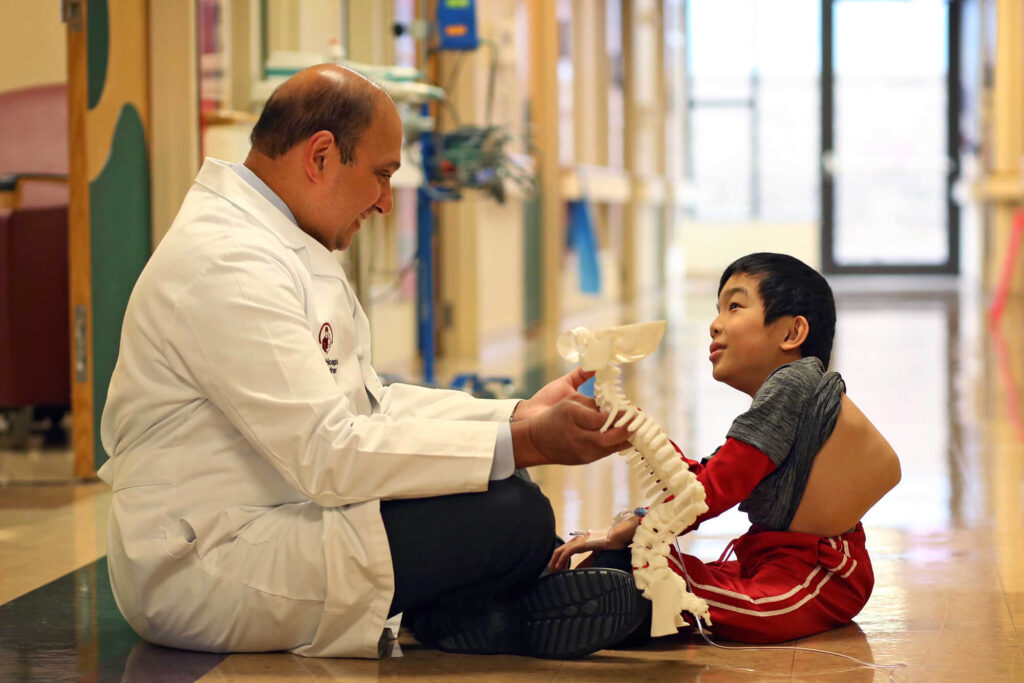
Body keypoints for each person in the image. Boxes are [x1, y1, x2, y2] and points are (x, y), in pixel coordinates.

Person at [98, 64, 647, 660]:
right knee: (512, 513)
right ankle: (484, 611)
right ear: (322, 155)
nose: (386, 203)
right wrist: (526, 440)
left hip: (277, 514)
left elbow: (371, 403)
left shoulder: (281, 243)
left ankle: (479, 612)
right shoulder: (228, 263)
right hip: (206, 559)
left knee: (502, 487)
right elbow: (329, 454)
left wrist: (514, 416)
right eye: (382, 175)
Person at [549, 252, 902, 644]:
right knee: (642, 565)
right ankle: (588, 601)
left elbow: (711, 491)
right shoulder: (785, 394)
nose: (715, 324)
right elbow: (703, 480)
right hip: (772, 559)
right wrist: (633, 425)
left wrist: (632, 528)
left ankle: (588, 603)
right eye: (719, 309)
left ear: (791, 334)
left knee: (654, 574)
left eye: (734, 306)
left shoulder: (794, 383)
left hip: (820, 574)